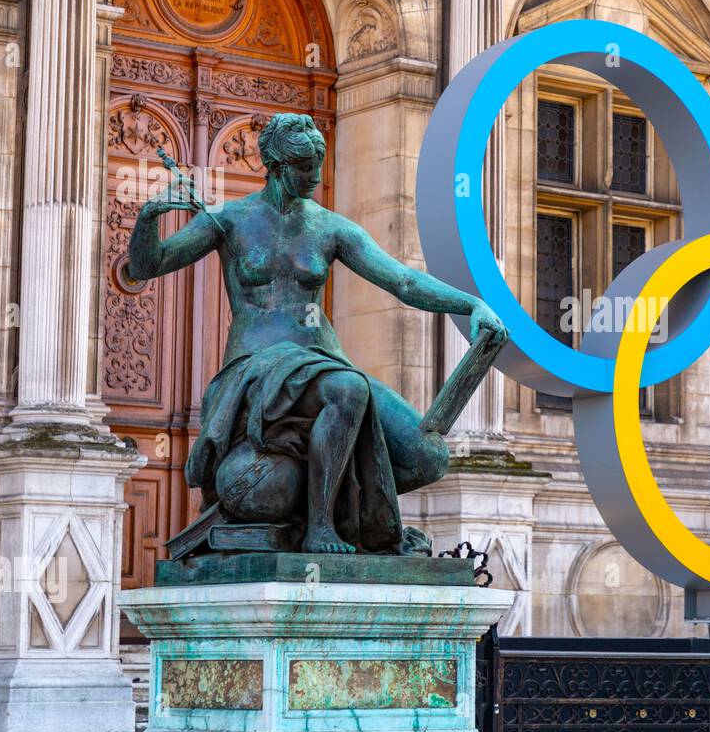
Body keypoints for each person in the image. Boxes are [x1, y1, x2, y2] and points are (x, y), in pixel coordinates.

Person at [128, 112, 506, 554]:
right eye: (305, 166)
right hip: (256, 366)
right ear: (276, 165)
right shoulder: (230, 220)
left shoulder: (329, 228)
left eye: (318, 164)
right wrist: (149, 217)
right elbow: (146, 265)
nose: (315, 176)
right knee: (347, 390)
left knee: (428, 457)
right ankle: (320, 528)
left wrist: (472, 304)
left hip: (320, 361)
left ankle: (334, 512)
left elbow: (402, 280)